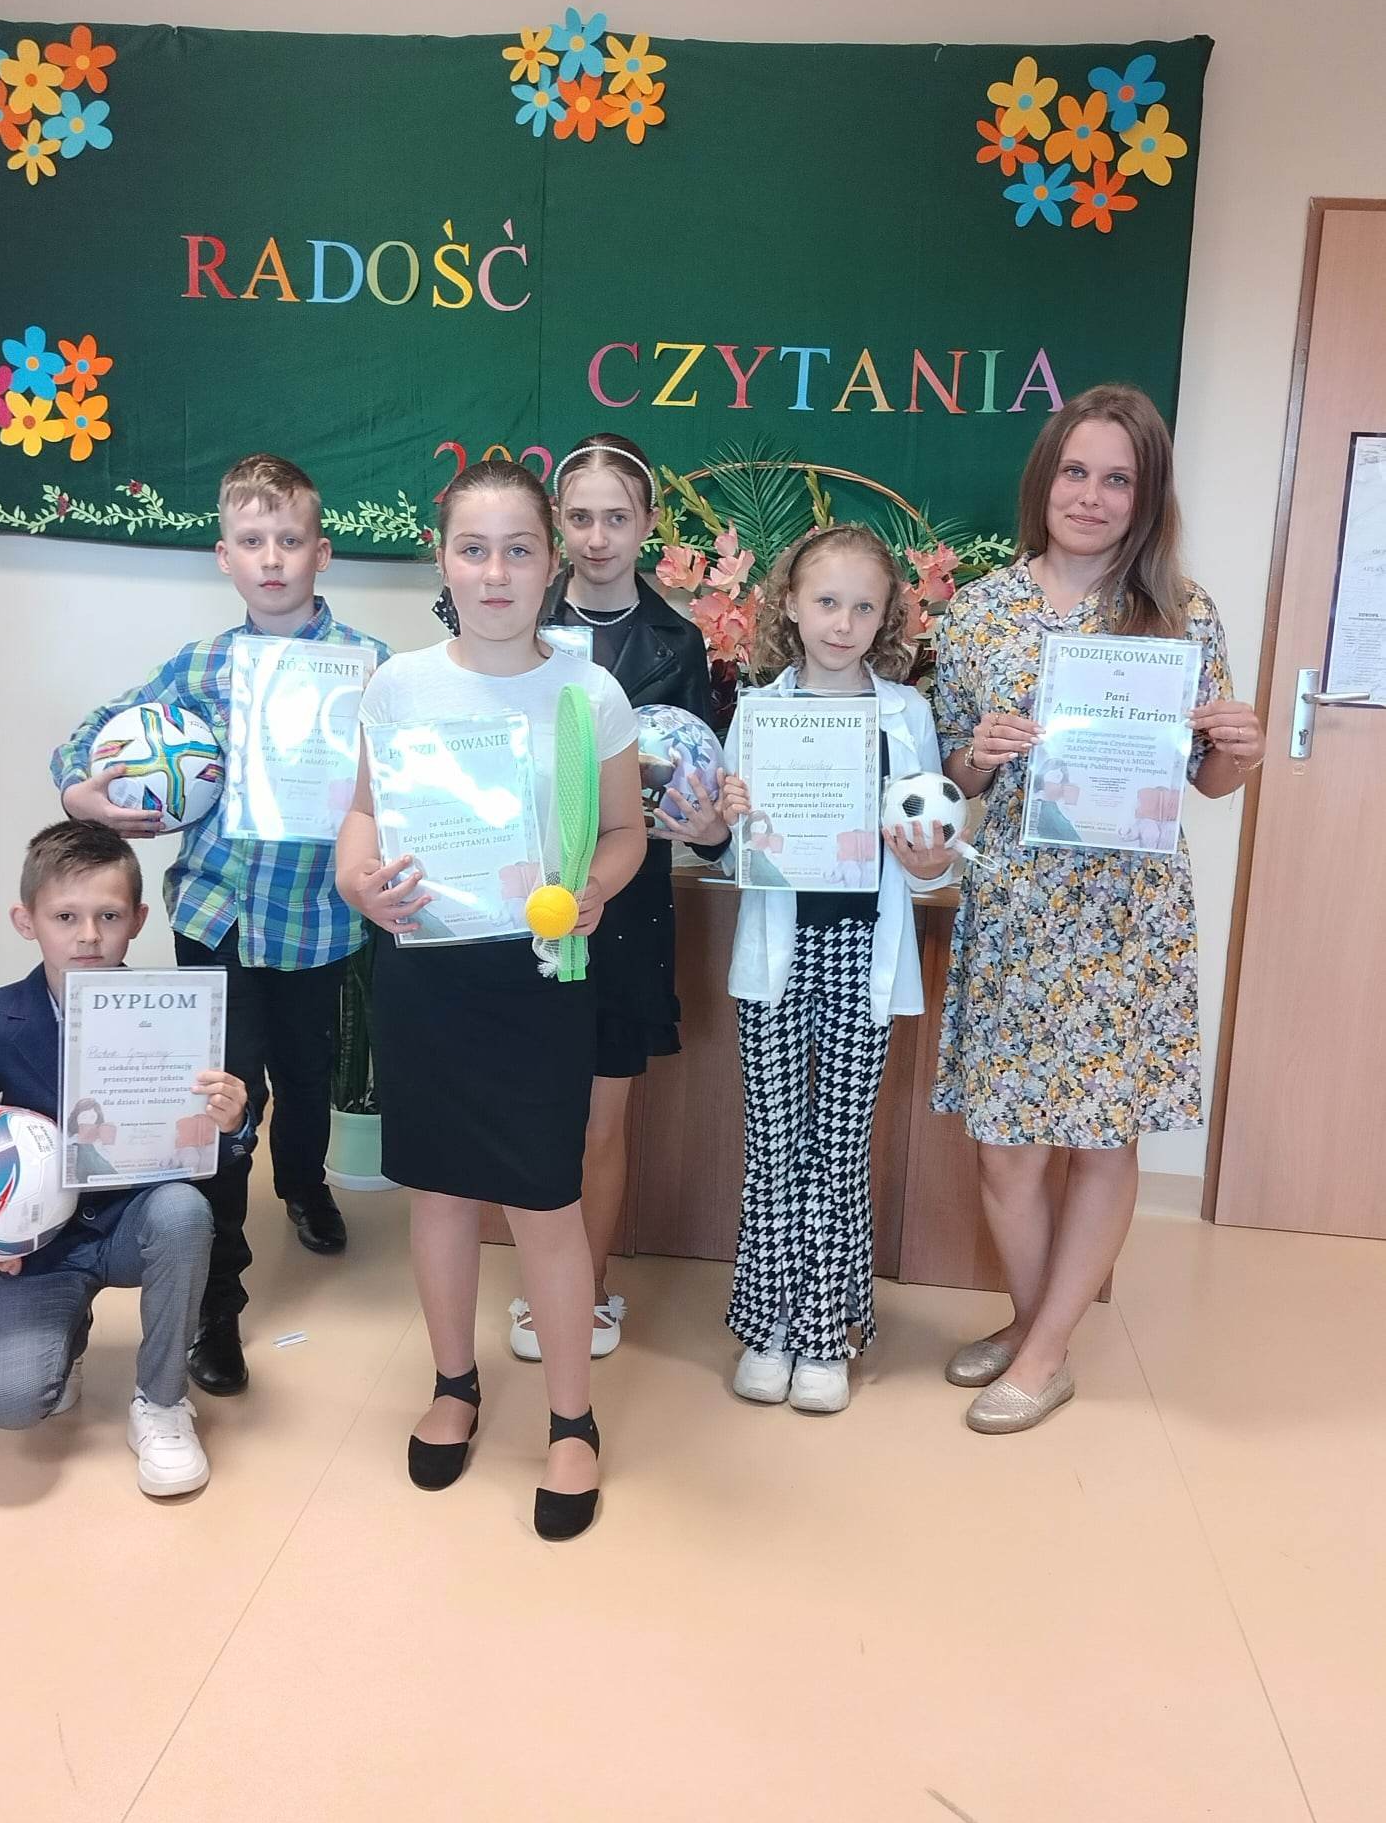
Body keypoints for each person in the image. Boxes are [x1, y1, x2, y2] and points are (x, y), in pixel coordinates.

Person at [933, 384, 1265, 1432]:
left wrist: (1242, 753)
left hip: (1127, 914)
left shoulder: (1181, 612)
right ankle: (1042, 1327)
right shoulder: (981, 608)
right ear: (1045, 479)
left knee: (1101, 1136)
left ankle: (1040, 1351)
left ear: (1145, 495)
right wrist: (976, 755)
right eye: (1075, 471)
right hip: (1017, 906)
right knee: (1005, 1145)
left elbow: (1208, 779)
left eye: (1117, 479)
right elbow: (949, 777)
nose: (1091, 495)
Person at [336, 459, 646, 1540]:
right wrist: (357, 879)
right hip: (426, 969)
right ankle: (454, 1384)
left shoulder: (588, 694)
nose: (497, 571)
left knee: (545, 1201)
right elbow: (364, 814)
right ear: (443, 560)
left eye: (519, 549)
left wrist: (595, 889)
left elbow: (625, 831)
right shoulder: (399, 686)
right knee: (438, 1193)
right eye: (474, 549)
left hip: (538, 976)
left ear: (552, 561)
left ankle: (571, 1420)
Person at [51, 454, 389, 1398]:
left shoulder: (368, 667)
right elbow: (89, 735)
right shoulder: (199, 667)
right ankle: (217, 1301)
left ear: (322, 552)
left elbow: (406, 777)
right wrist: (82, 792)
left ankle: (306, 1184)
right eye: (251, 541)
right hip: (218, 918)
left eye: (290, 540)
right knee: (223, 1104)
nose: (272, 558)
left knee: (308, 1076)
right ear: (224, 557)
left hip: (319, 919)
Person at [706, 526, 957, 1413]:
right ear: (789, 605)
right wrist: (730, 814)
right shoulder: (759, 711)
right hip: (776, 956)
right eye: (825, 602)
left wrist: (927, 855)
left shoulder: (907, 715)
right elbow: (730, 845)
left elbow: (933, 852)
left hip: (863, 949)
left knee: (839, 1149)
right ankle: (766, 1329)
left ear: (888, 618)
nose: (842, 624)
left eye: (863, 607)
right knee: (773, 1143)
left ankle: (824, 1335)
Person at [0, 821, 250, 1496]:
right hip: (42, 1238)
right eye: (65, 917)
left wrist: (233, 1122)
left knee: (183, 1210)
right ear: (26, 921)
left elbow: (214, 1156)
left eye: (108, 916)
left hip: (138, 1220)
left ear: (137, 920)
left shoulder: (181, 1016)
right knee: (14, 1403)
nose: (88, 936)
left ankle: (161, 1403)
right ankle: (65, 1337)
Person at [506, 432, 718, 1363]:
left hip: (626, 909)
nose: (597, 538)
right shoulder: (515, 618)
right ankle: (539, 1284)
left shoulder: (679, 641)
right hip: (520, 898)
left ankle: (588, 1290)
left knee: (602, 1116)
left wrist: (708, 820)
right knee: (533, 1108)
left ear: (647, 525)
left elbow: (696, 785)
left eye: (617, 519)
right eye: (581, 518)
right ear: (558, 522)